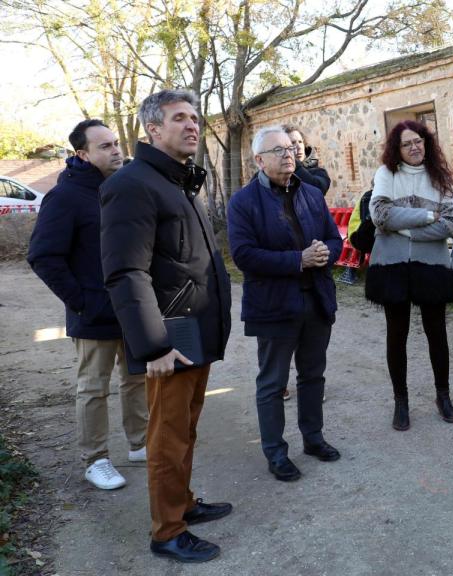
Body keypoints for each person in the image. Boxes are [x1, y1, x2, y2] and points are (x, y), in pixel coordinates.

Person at [100, 89, 233, 563]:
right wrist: (154, 346)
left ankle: (183, 504)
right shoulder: (133, 184)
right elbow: (126, 272)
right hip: (170, 339)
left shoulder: (180, 182)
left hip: (197, 330)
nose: (193, 125)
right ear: (153, 129)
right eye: (180, 118)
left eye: (195, 118)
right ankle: (166, 531)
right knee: (167, 437)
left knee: (186, 430)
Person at [27, 119, 147, 491]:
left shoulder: (123, 188)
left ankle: (139, 444)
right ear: (82, 154)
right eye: (106, 146)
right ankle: (95, 459)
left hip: (132, 308)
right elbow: (44, 256)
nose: (117, 150)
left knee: (136, 379)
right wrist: (82, 302)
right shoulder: (64, 197)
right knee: (93, 388)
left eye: (116, 143)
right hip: (93, 314)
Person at [227, 126, 343, 482]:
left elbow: (331, 237)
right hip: (275, 305)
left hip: (316, 299)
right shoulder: (243, 202)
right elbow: (244, 255)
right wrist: (298, 260)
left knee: (312, 375)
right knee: (272, 382)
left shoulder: (310, 192)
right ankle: (276, 453)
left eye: (290, 149)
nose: (288, 154)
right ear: (259, 161)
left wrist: (326, 253)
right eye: (278, 151)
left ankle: (313, 438)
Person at [365, 120, 453, 431]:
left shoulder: (440, 177)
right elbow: (379, 215)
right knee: (397, 334)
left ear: (426, 143)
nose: (414, 147)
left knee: (438, 334)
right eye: (407, 144)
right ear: (398, 148)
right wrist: (426, 215)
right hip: (392, 265)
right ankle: (400, 401)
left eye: (418, 141)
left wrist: (403, 230)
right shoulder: (386, 174)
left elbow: (452, 224)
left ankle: (443, 396)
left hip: (431, 264)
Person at [279, 124, 331, 399]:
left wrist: (293, 164)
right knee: (286, 334)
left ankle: (311, 383)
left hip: (315, 264)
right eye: (288, 144)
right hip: (285, 266)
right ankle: (283, 380)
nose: (296, 147)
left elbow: (316, 187)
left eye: (298, 142)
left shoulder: (316, 173)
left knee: (313, 334)